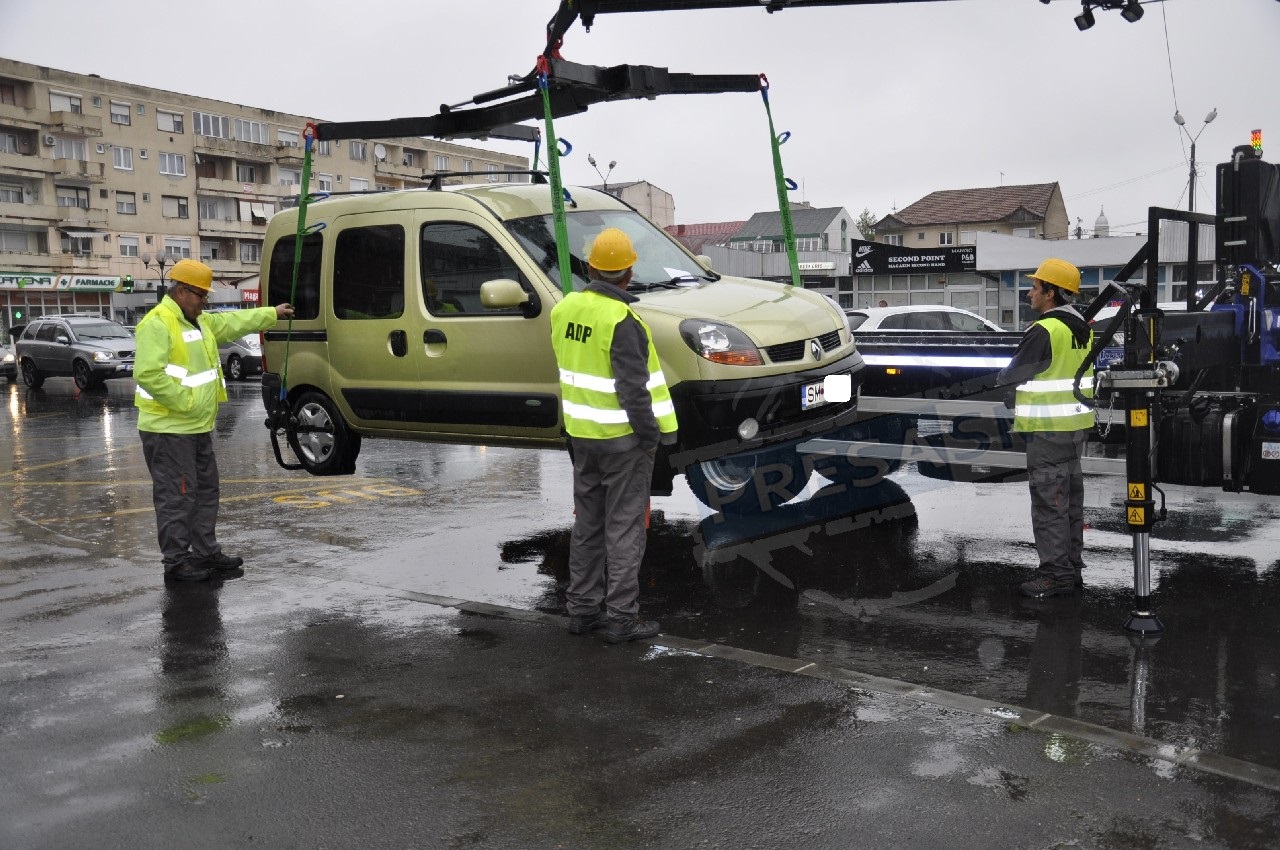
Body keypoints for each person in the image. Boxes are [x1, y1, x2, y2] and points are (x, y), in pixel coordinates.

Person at [549, 228, 678, 643]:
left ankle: (582, 611)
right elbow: (632, 390)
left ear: (591, 268)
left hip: (581, 437)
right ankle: (622, 619)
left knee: (587, 525)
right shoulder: (622, 319)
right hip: (623, 441)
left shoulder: (565, 309)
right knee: (623, 530)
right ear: (628, 273)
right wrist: (650, 435)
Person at [135, 259, 294, 583]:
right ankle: (177, 564)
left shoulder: (198, 322)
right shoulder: (158, 323)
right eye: (200, 295)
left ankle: (205, 553)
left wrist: (272, 313)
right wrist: (189, 403)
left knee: (206, 491)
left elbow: (234, 321)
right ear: (181, 292)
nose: (205, 301)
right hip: (168, 431)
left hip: (196, 428)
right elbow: (148, 373)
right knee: (176, 498)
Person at [997, 258, 1094, 599]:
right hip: (1074, 429)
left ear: (1051, 293)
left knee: (1049, 503)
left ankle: (1055, 575)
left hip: (1047, 430)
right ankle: (1071, 568)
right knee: (1069, 503)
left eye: (1036, 287)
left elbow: (1010, 376)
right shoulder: (1082, 328)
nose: (1030, 293)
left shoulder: (1046, 329)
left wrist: (1007, 389)